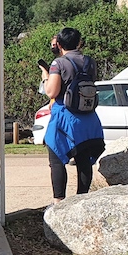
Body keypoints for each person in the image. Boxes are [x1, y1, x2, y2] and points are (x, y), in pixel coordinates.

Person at [42, 27, 105, 204]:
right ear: (79, 42)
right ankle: (82, 200)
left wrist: (46, 76)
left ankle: (59, 203)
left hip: (65, 117)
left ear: (60, 45)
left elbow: (52, 91)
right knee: (84, 160)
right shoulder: (90, 62)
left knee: (56, 159)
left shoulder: (58, 64)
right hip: (89, 118)